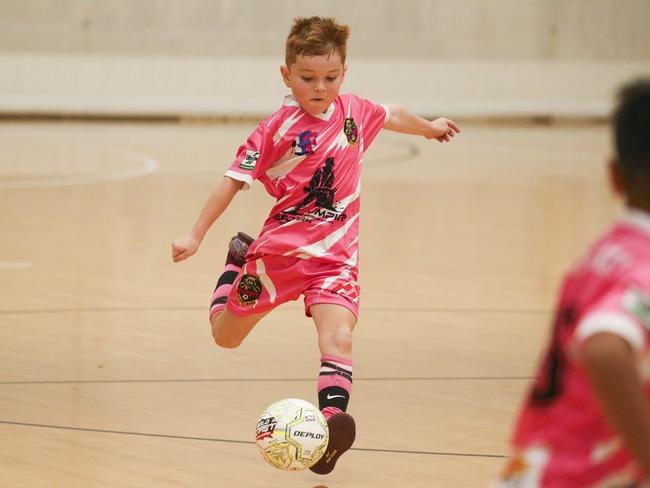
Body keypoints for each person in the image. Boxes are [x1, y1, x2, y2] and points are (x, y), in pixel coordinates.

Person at [172, 16, 460, 475]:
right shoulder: (275, 131)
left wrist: (429, 126)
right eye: (308, 78)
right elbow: (232, 181)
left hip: (336, 260)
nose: (320, 87)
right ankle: (235, 262)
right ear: (286, 76)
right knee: (224, 337)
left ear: (344, 73)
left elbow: (393, 113)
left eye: (330, 77)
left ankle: (329, 427)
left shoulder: (355, 112)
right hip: (279, 257)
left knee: (339, 336)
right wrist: (195, 234)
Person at [493, 79, 650, 487]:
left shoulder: (604, 254)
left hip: (537, 466)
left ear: (614, 177)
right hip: (571, 476)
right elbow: (605, 349)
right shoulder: (643, 265)